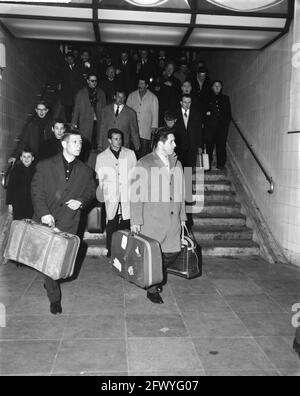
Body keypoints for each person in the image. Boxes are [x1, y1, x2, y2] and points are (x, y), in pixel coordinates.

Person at [31, 131, 96, 315]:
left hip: (69, 220)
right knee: (48, 260)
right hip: (46, 219)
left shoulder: (86, 171)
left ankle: (50, 282)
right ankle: (55, 298)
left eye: (80, 142)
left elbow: (91, 191)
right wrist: (43, 213)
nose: (79, 145)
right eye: (74, 141)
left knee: (59, 261)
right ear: (64, 144)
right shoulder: (44, 166)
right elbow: (36, 191)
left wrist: (81, 201)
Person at [130, 128, 186, 304]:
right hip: (153, 218)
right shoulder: (144, 163)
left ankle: (155, 275)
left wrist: (183, 216)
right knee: (154, 255)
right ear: (161, 144)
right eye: (172, 141)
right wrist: (136, 221)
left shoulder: (177, 163)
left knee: (173, 251)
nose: (175, 145)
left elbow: (181, 192)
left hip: (173, 218)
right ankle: (152, 289)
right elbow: (136, 195)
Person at [95, 129, 136, 258]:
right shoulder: (101, 157)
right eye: (115, 139)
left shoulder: (130, 154)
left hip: (126, 193)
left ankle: (125, 251)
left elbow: (136, 174)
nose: (118, 141)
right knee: (111, 221)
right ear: (109, 140)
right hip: (111, 194)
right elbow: (100, 178)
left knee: (126, 221)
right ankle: (111, 250)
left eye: (120, 138)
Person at [72, 72, 106, 159]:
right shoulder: (81, 93)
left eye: (95, 81)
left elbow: (104, 109)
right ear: (87, 81)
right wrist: (74, 123)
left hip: (98, 122)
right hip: (85, 122)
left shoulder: (101, 93)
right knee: (85, 143)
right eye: (92, 81)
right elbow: (76, 110)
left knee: (96, 143)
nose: (94, 82)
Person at [98, 89, 140, 153]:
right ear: (114, 97)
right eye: (118, 97)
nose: (120, 99)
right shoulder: (105, 110)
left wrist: (137, 145)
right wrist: (100, 144)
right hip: (107, 145)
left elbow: (134, 131)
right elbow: (102, 128)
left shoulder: (131, 112)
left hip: (123, 145)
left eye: (123, 97)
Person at [127, 76, 159, 159]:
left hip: (145, 130)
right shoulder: (131, 96)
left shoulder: (153, 98)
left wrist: (154, 126)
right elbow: (126, 111)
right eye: (139, 83)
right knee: (132, 153)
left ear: (147, 85)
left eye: (142, 83)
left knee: (143, 154)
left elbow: (155, 114)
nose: (140, 85)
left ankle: (142, 169)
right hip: (133, 130)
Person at [204, 80, 232, 170]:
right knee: (209, 146)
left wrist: (225, 124)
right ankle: (207, 165)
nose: (217, 87)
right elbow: (203, 112)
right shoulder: (207, 98)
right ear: (212, 87)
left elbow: (228, 114)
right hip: (210, 127)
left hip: (222, 128)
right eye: (215, 86)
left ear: (221, 88)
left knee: (221, 146)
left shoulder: (225, 98)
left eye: (219, 86)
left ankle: (220, 164)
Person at [174, 94, 204, 169]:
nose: (187, 104)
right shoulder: (175, 114)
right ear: (181, 102)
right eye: (185, 102)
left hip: (191, 146)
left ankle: (187, 181)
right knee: (178, 168)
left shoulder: (196, 114)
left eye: (189, 102)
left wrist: (200, 145)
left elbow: (199, 131)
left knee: (189, 168)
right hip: (179, 146)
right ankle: (179, 180)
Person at [6, 148, 35, 220]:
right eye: (24, 156)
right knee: (18, 223)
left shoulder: (36, 171)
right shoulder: (16, 170)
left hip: (31, 203)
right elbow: (10, 187)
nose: (26, 159)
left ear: (32, 158)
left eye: (29, 156)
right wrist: (10, 203)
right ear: (21, 158)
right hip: (17, 202)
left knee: (30, 223)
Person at [58, 52, 84, 122]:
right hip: (67, 95)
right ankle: (69, 124)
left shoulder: (79, 68)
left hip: (76, 93)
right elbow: (61, 79)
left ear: (74, 59)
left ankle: (76, 125)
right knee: (68, 112)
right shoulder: (64, 68)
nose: (70, 61)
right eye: (68, 59)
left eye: (71, 59)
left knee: (77, 111)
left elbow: (82, 80)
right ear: (66, 60)